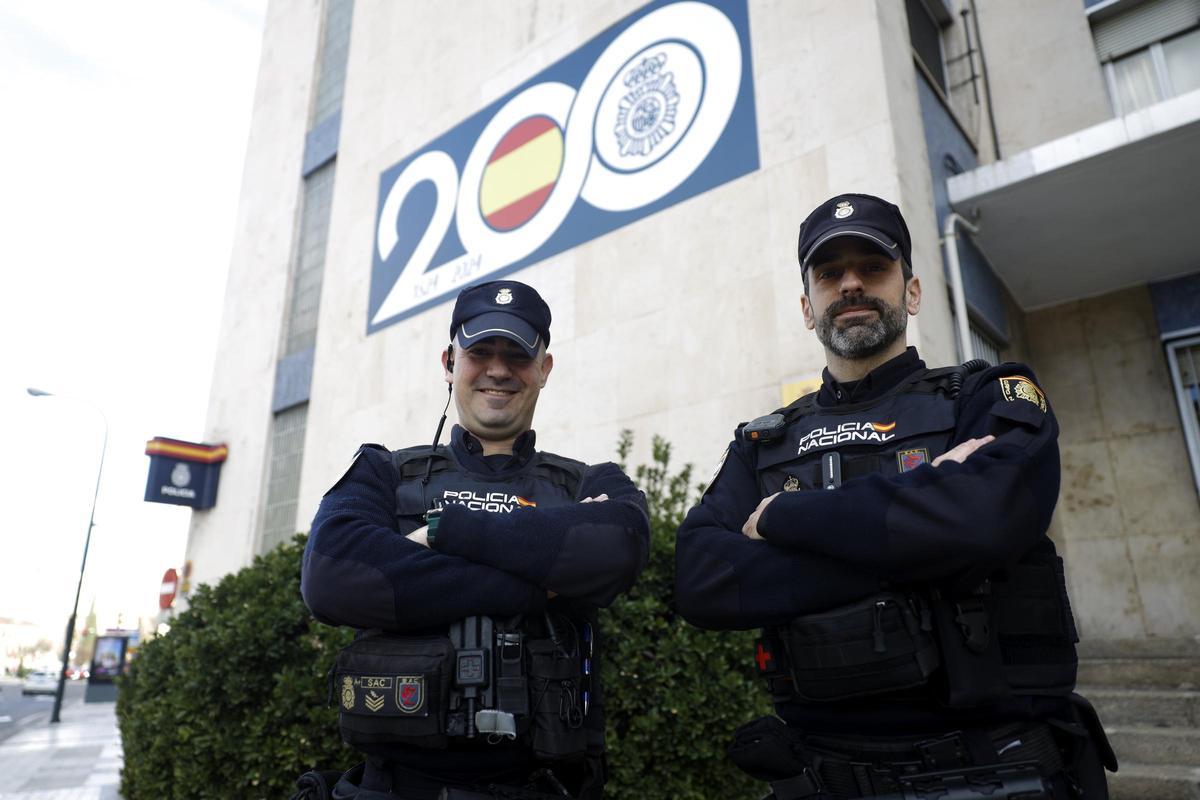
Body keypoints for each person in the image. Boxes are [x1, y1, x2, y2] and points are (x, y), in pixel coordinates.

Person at [674, 194, 1116, 799]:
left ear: (911, 291)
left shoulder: (986, 396)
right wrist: (921, 533)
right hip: (824, 775)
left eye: (872, 267)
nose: (851, 284)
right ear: (809, 308)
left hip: (993, 768)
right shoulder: (762, 443)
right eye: (830, 274)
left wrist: (784, 515)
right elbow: (700, 579)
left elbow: (984, 521)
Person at [298, 280, 649, 800]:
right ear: (449, 361)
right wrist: (538, 582)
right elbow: (332, 576)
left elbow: (621, 546)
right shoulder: (383, 472)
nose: (499, 369)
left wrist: (445, 532)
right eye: (479, 351)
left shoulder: (589, 483)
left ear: (544, 368)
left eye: (518, 355)